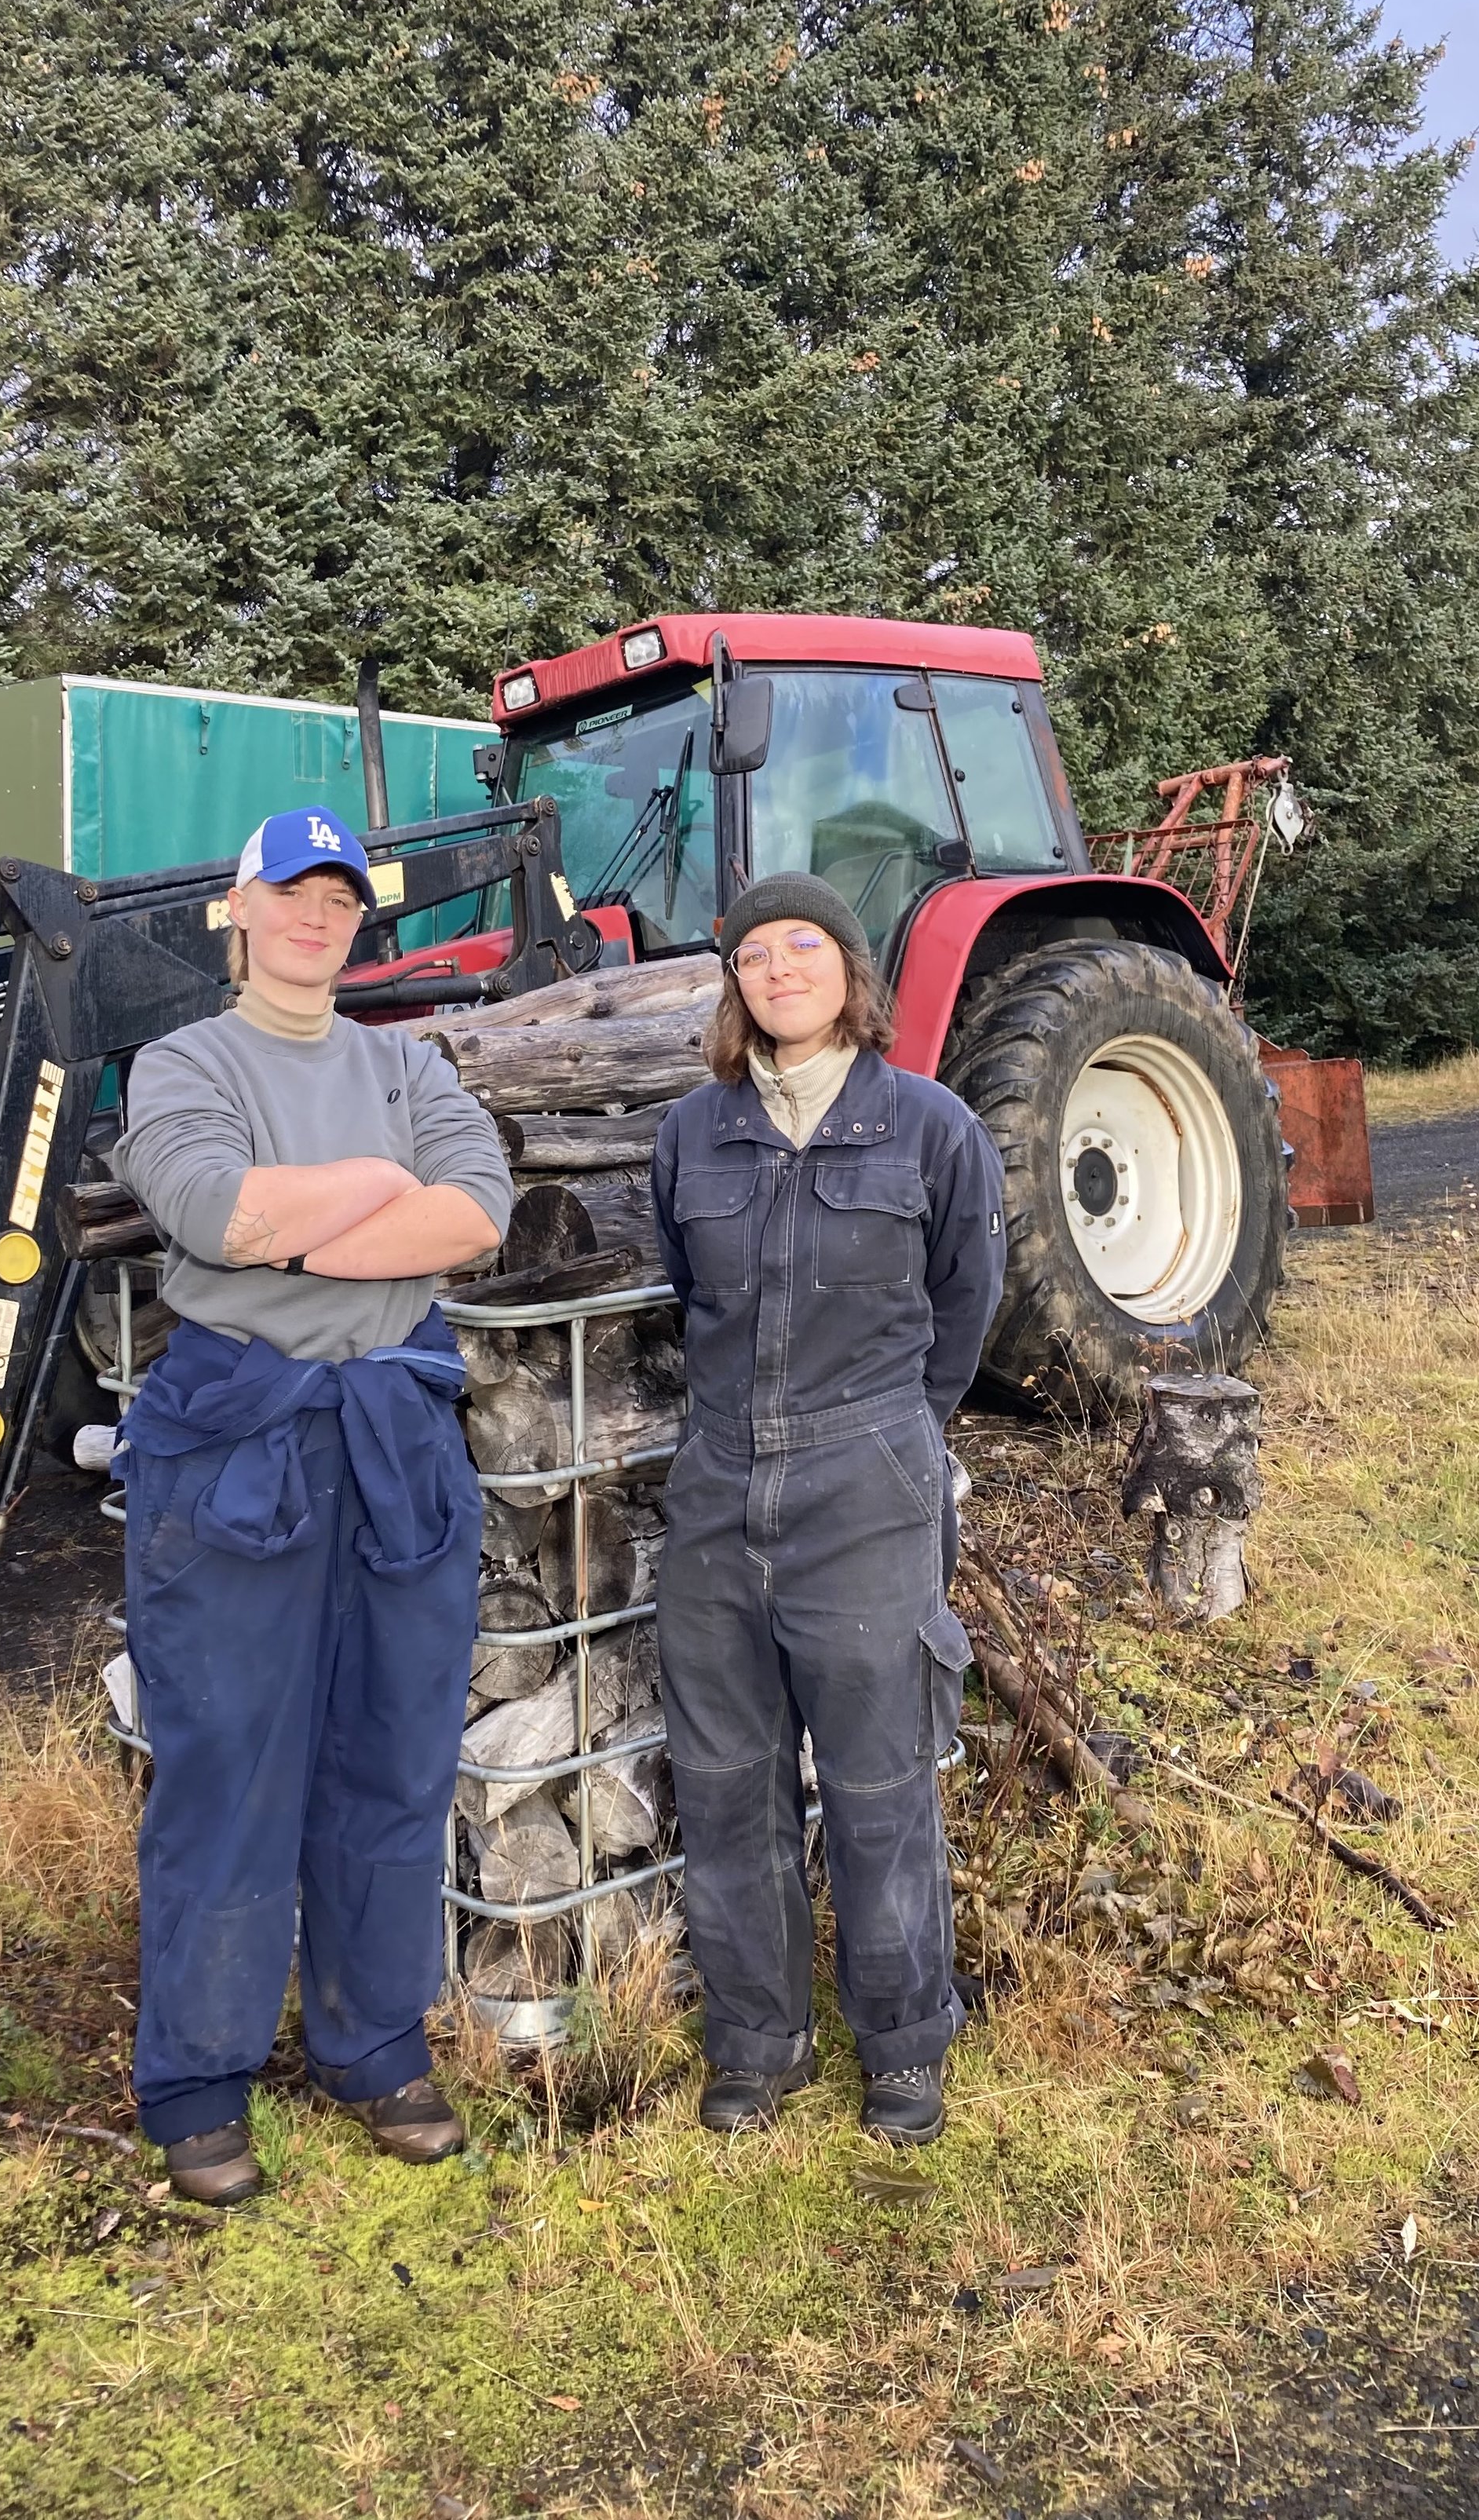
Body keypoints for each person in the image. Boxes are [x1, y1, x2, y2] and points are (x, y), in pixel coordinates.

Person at [110, 807, 513, 2206]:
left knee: (394, 1749)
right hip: (238, 1444)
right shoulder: (182, 1063)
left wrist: (319, 1222)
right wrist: (374, 1187)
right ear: (241, 905)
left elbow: (476, 1216)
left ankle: (375, 2041)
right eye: (291, 890)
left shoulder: (407, 1060)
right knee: (229, 1760)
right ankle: (199, 2078)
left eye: (339, 897)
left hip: (394, 1437)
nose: (315, 915)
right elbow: (217, 1213)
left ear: (358, 921)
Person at [649, 875, 1005, 2149]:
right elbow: (691, 1290)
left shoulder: (932, 1126)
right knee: (728, 1781)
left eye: (804, 945)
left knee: (876, 1783)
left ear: (852, 973)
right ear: (734, 983)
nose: (778, 967)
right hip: (717, 1491)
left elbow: (965, 1306)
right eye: (754, 952)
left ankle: (906, 2044)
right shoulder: (695, 1133)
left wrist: (895, 1442)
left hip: (866, 1484)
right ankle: (759, 2043)